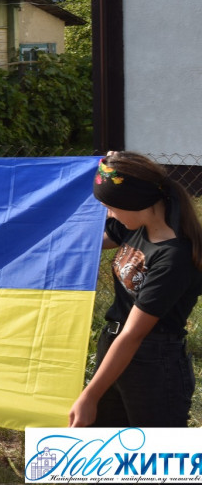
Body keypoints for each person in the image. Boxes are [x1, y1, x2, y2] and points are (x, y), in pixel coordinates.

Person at [69, 151, 202, 427]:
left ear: (133, 202)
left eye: (110, 207)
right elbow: (88, 241)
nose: (108, 214)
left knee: (155, 460)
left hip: (153, 363)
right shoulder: (135, 226)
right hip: (114, 348)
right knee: (104, 452)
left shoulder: (173, 256)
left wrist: (90, 395)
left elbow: (133, 334)